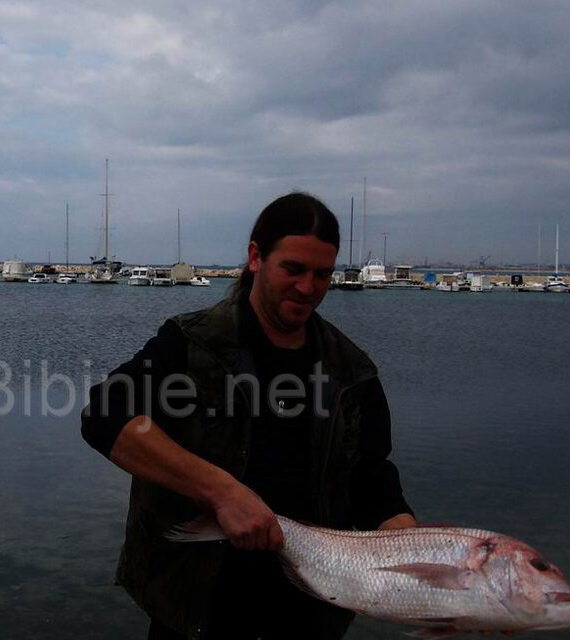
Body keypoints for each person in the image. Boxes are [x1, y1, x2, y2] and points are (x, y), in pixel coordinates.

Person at [81, 192, 415, 640]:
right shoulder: (191, 343)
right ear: (256, 257)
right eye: (293, 269)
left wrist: (418, 550)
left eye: (322, 274)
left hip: (308, 614)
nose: (307, 287)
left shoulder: (352, 371)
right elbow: (104, 413)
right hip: (196, 609)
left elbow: (372, 477)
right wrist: (221, 492)